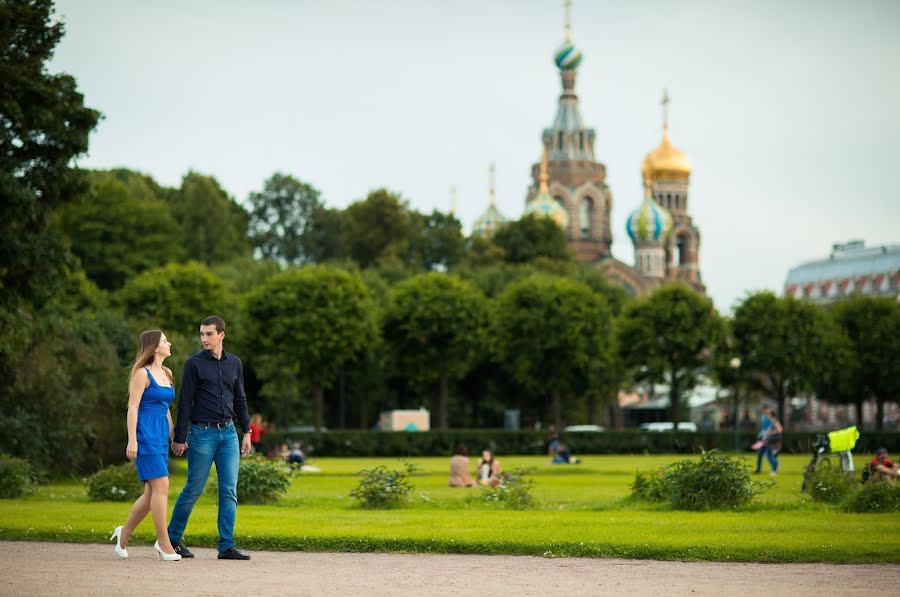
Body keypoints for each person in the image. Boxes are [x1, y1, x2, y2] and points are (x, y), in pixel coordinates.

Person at [168, 316, 253, 560]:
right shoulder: (193, 364)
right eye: (202, 334)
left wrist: (246, 431)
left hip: (228, 434)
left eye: (209, 334)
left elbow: (240, 398)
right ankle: (172, 540)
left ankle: (226, 546)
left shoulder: (234, 363)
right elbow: (185, 402)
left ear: (221, 335)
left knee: (229, 491)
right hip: (201, 434)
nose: (204, 339)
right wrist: (180, 437)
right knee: (193, 488)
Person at [109, 330, 181, 561]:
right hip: (145, 435)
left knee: (151, 493)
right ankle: (163, 542)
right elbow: (133, 408)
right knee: (162, 485)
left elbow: (166, 409)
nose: (169, 343)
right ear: (154, 346)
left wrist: (174, 436)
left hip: (160, 435)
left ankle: (124, 533)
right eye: (165, 341)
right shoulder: (142, 373)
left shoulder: (167, 373)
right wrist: (132, 439)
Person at [759, 406, 782, 476]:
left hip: (773, 441)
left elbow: (780, 430)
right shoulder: (772, 422)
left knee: (771, 455)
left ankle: (775, 470)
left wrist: (771, 433)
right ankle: (775, 469)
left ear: (771, 415)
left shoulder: (774, 421)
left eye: (769, 414)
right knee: (769, 455)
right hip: (770, 440)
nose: (767, 415)